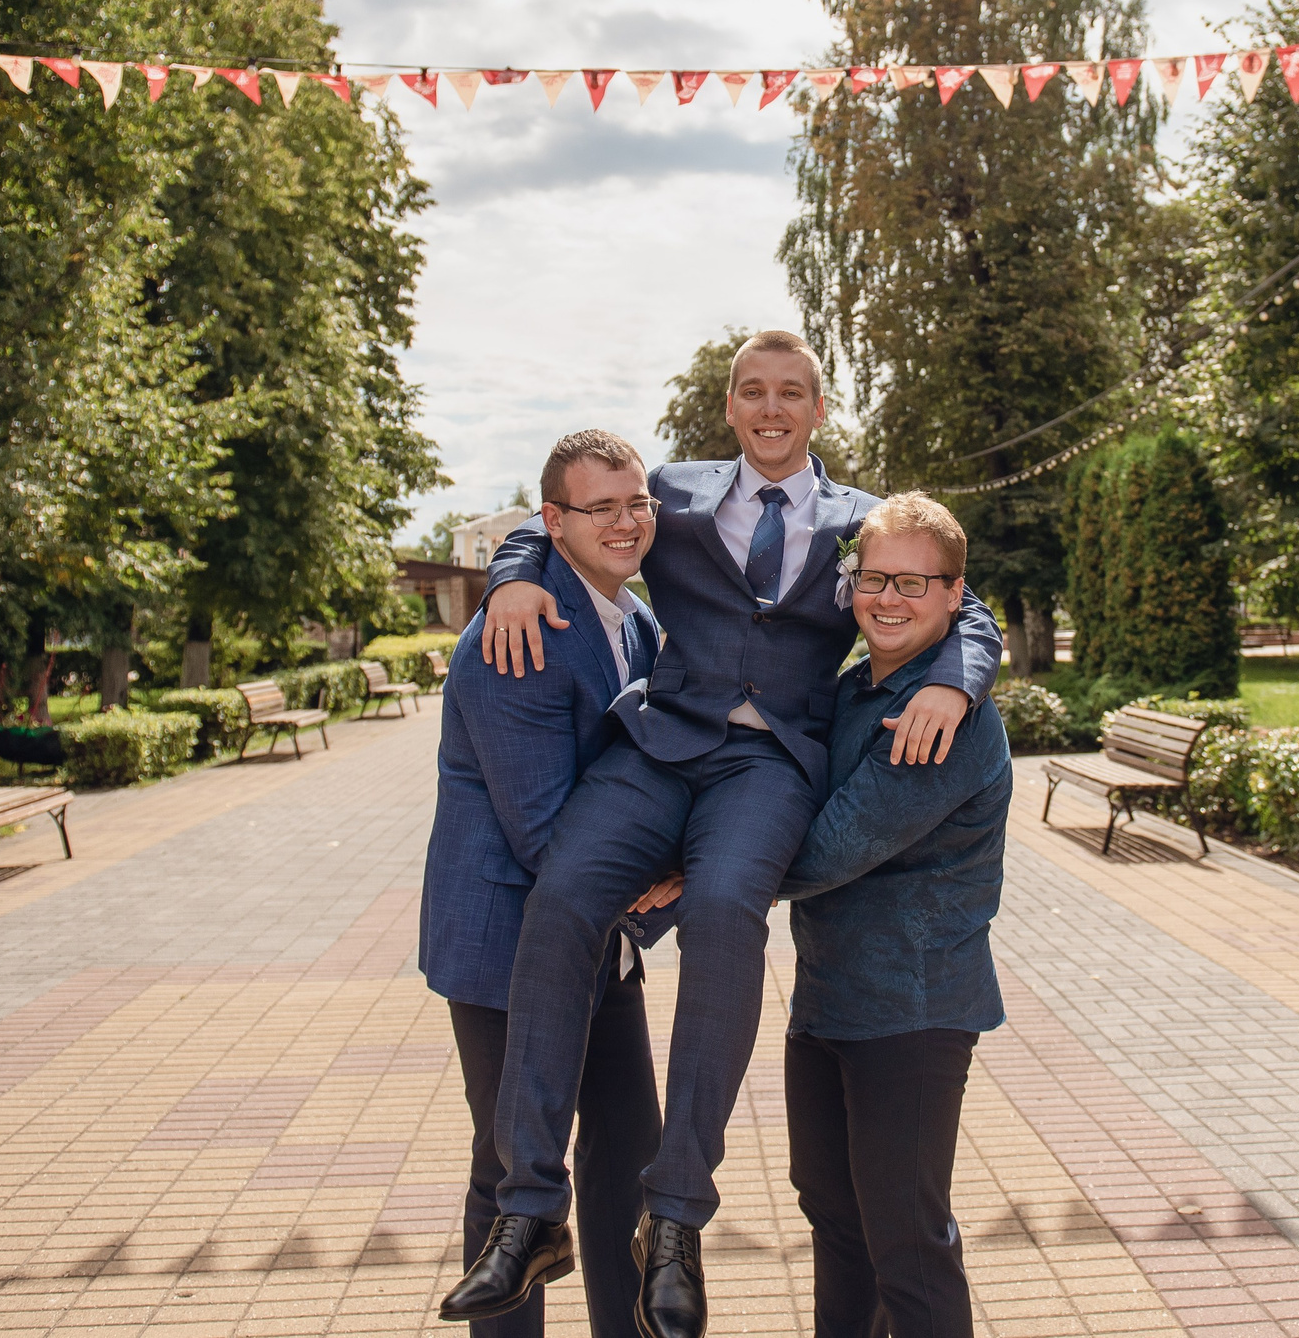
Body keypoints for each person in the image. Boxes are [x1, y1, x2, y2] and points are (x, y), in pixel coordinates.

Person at [442, 331, 999, 1338]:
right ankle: (529, 1206)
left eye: (791, 392)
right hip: (664, 740)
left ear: (818, 408)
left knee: (726, 908)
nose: (771, 407)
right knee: (563, 892)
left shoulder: (861, 520)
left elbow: (960, 598)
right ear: (730, 405)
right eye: (753, 390)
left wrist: (957, 680)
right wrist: (513, 572)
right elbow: (564, 517)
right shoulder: (671, 493)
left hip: (767, 763)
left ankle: (676, 1215)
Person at [422, 431, 681, 1337]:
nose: (625, 521)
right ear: (554, 522)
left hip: (600, 937)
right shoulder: (516, 635)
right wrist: (667, 879)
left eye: (636, 502)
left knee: (629, 1156)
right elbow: (541, 831)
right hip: (508, 941)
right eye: (599, 506)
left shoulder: (634, 620)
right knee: (511, 1176)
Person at [775, 493, 1010, 1338]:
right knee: (836, 1220)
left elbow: (831, 846)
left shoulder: (945, 716)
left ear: (954, 595)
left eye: (913, 582)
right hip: (827, 1000)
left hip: (911, 1012)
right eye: (875, 578)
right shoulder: (851, 691)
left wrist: (704, 871)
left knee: (907, 1243)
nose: (889, 598)